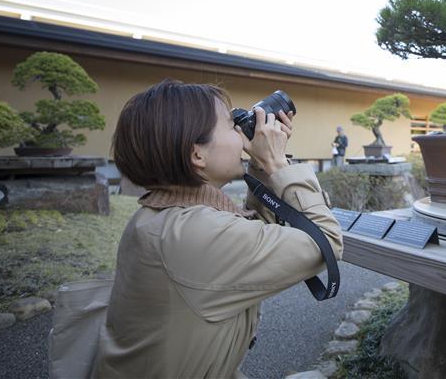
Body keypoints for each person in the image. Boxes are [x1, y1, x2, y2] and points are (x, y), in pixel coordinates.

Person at [94, 79, 343, 378]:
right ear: (197, 155)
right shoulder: (192, 233)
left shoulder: (166, 215)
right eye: (230, 123)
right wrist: (277, 164)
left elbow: (254, 237)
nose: (242, 131)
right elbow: (326, 242)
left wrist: (263, 168)